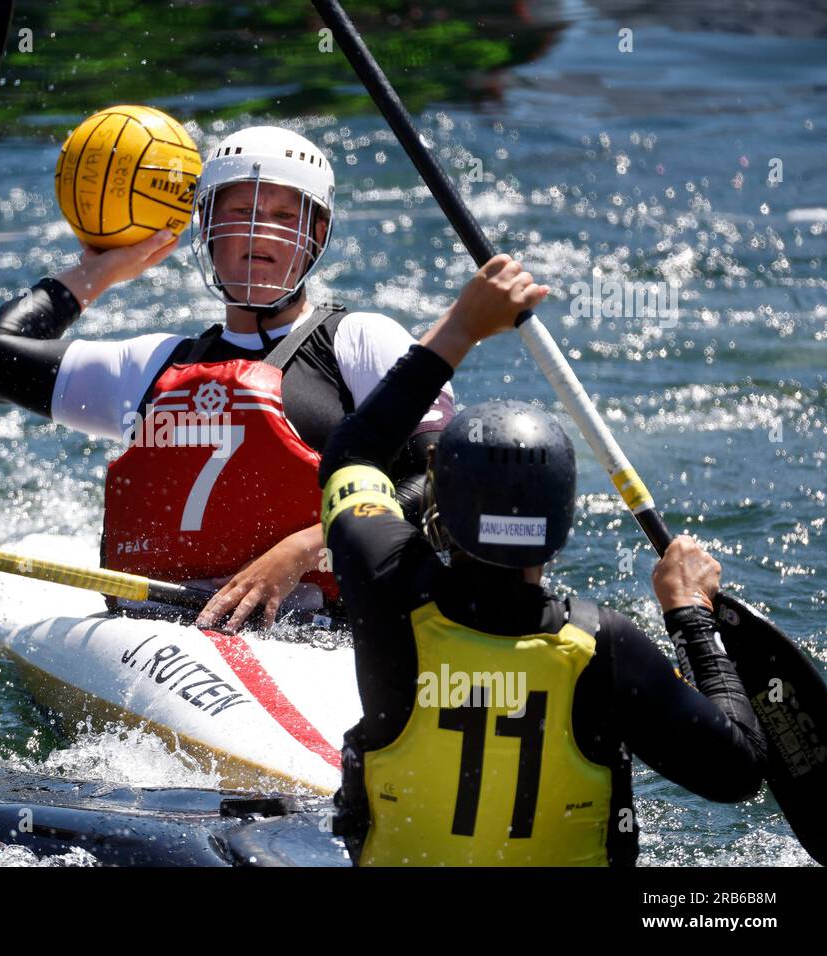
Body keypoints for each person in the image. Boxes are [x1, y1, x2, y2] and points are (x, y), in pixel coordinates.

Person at [319, 253, 766, 866]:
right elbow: (737, 772)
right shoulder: (606, 646)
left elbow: (352, 454)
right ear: (560, 528)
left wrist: (462, 328)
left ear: (440, 514)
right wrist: (691, 614)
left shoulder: (384, 583)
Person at [0, 125, 456, 631]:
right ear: (207, 226)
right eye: (242, 213)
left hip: (332, 635)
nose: (262, 232)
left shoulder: (362, 342)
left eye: (284, 217)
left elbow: (447, 485)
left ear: (316, 235)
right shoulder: (152, 367)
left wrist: (305, 547)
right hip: (170, 634)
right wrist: (104, 270)